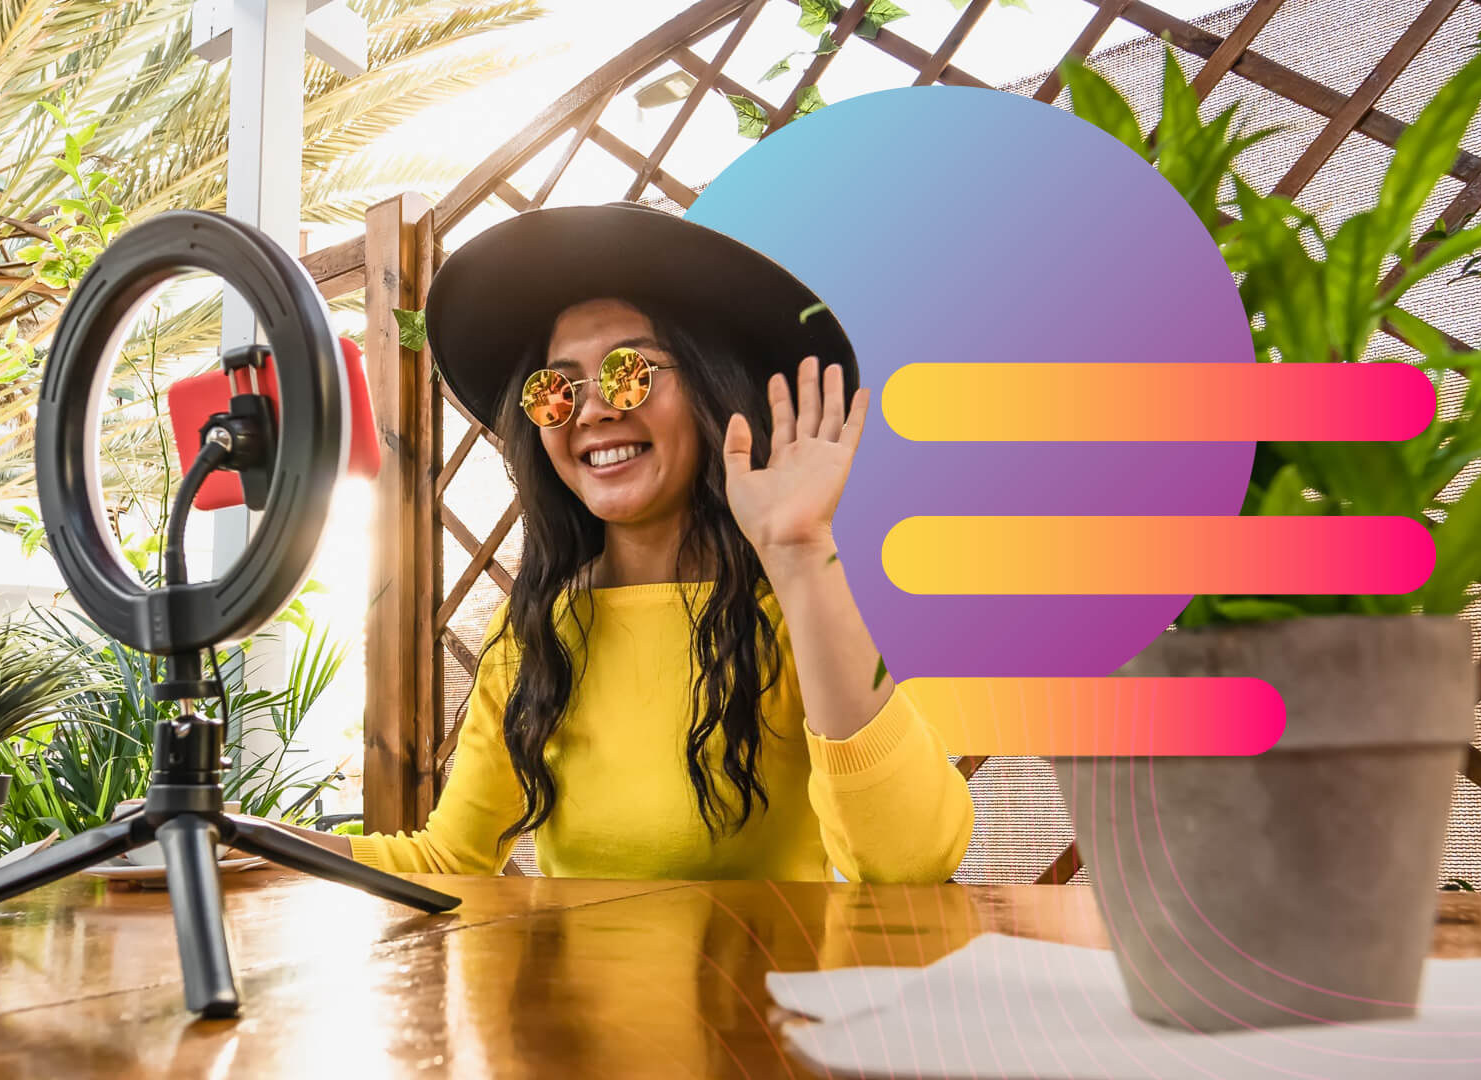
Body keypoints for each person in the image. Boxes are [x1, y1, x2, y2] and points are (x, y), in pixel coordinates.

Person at [265, 202, 972, 882]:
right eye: (556, 389)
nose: (593, 410)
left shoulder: (801, 613)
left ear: (708, 389)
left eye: (629, 373)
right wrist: (239, 840)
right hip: (574, 1009)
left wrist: (795, 550)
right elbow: (448, 861)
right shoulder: (534, 637)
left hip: (761, 1007)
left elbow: (910, 861)